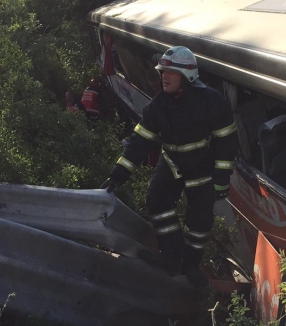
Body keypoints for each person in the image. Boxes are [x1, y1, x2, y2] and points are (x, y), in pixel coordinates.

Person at [101, 46, 239, 287]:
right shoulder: (158, 106)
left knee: (199, 222)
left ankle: (191, 265)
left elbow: (228, 140)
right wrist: (119, 173)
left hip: (201, 169)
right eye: (162, 71)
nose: (163, 76)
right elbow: (140, 140)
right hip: (172, 164)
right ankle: (171, 257)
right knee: (157, 201)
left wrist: (221, 179)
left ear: (187, 76)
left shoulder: (211, 102)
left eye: (170, 72)